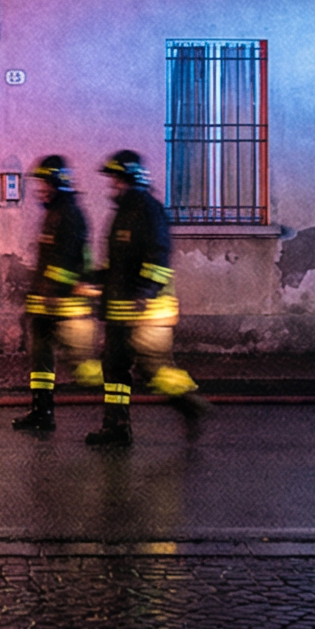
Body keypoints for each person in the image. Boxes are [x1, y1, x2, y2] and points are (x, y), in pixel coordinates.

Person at [89, 148, 211, 447]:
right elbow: (115, 265)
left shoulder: (148, 210)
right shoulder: (122, 214)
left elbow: (158, 256)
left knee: (151, 368)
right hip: (121, 309)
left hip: (147, 310)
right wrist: (91, 280)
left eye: (116, 179)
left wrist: (146, 291)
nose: (112, 186)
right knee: (114, 368)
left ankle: (189, 405)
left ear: (131, 178)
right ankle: (116, 428)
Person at [12, 154, 94, 432]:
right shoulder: (55, 212)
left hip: (63, 305)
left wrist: (53, 290)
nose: (41, 189)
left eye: (46, 183)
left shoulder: (70, 215)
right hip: (46, 303)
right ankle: (41, 410)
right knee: (41, 357)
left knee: (79, 364)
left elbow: (72, 261)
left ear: (58, 183)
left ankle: (110, 394)